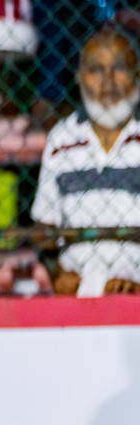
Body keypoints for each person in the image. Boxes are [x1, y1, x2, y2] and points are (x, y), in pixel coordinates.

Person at [34, 29, 140, 297]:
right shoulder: (61, 140)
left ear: (137, 76)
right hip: (79, 291)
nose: (108, 81)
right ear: (79, 77)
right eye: (96, 70)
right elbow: (44, 232)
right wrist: (58, 274)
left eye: (119, 68)